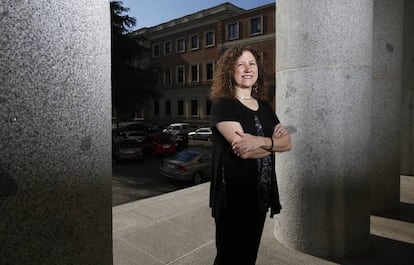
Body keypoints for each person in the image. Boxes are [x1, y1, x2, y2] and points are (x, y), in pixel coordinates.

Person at [209, 45, 292, 265]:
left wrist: (260, 141)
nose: (248, 69)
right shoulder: (223, 105)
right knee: (229, 257)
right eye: (241, 64)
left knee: (249, 255)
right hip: (233, 196)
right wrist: (273, 143)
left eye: (252, 63)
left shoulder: (264, 106)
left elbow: (288, 143)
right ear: (230, 70)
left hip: (261, 195)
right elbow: (244, 151)